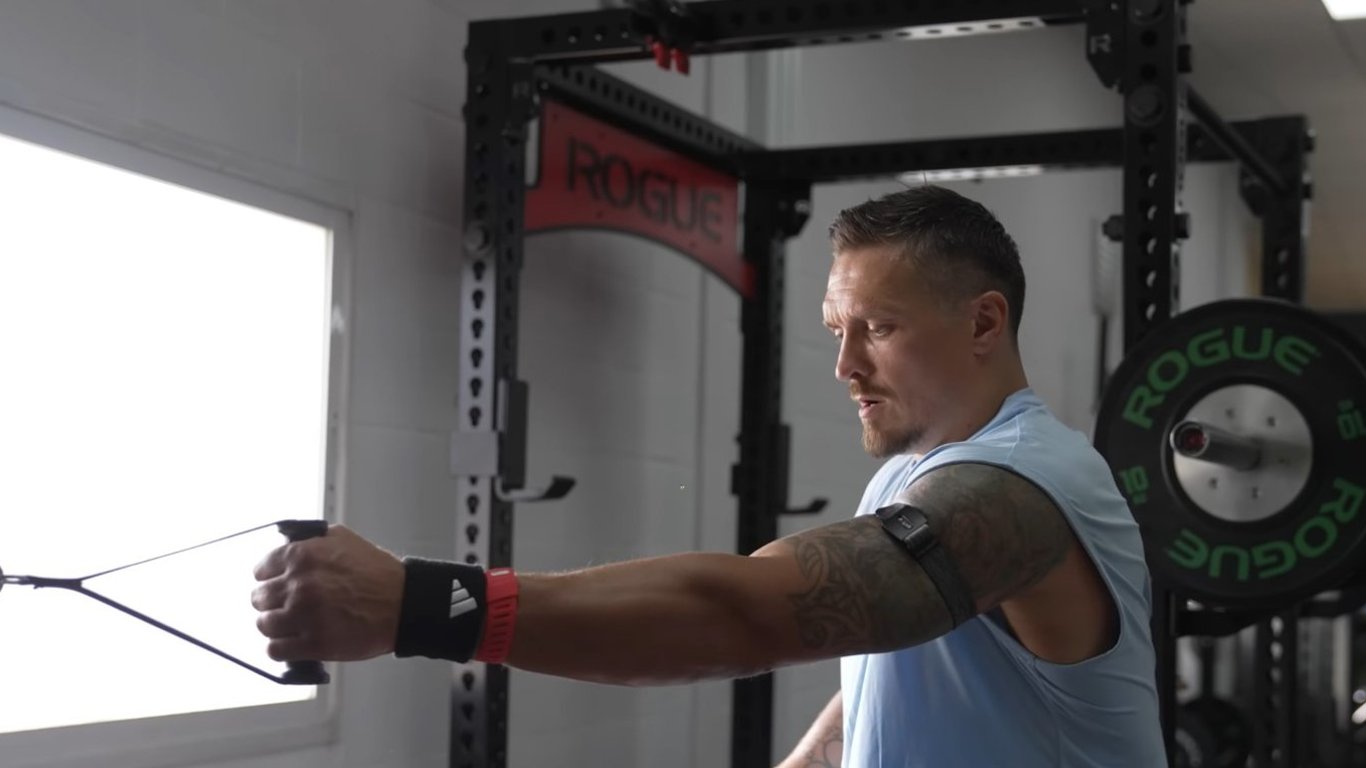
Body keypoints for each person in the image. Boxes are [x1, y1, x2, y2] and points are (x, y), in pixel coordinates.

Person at [251, 185, 1165, 767]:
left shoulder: (1019, 487)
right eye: (836, 331)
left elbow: (756, 612)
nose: (845, 366)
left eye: (878, 329)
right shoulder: (917, 474)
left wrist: (424, 606)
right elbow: (898, 670)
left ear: (984, 323)